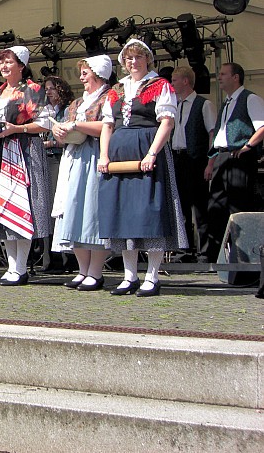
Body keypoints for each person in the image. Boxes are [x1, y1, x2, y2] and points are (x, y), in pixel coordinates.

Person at [98, 39, 187, 297]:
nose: (132, 62)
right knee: (123, 213)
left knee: (151, 212)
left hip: (147, 151)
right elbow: (107, 125)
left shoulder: (160, 86)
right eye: (128, 58)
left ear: (147, 59)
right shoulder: (116, 90)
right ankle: (129, 276)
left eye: (137, 57)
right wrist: (104, 155)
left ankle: (152, 275)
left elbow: (167, 122)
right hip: (118, 156)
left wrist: (151, 153)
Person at [0, 45, 53, 285]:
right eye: (2, 62)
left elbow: (46, 123)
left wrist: (16, 128)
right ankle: (11, 267)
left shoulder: (33, 90)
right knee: (4, 208)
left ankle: (21, 267)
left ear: (21, 65)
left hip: (24, 149)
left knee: (22, 205)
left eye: (9, 62)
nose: (4, 66)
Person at [50, 56, 112, 290]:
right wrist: (58, 130)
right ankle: (82, 269)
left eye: (86, 72)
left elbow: (107, 126)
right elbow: (66, 125)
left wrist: (75, 126)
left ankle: (95, 271)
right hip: (74, 157)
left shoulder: (108, 97)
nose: (82, 77)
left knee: (91, 211)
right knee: (73, 209)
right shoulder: (77, 103)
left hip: (94, 154)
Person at [204, 62, 264, 263]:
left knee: (238, 206)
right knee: (216, 207)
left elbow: (262, 127)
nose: (218, 77)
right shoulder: (227, 102)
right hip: (222, 157)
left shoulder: (250, 98)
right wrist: (212, 160)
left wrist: (247, 146)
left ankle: (243, 257)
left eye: (223, 74)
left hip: (238, 158)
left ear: (236, 77)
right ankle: (221, 255)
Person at [170, 65, 216, 262]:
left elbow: (212, 134)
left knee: (200, 207)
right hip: (177, 158)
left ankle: (206, 251)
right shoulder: (174, 105)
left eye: (174, 80)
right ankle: (185, 250)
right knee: (181, 207)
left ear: (185, 81)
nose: (172, 84)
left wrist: (210, 162)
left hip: (196, 160)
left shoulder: (203, 104)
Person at [38, 75, 75, 271]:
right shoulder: (46, 111)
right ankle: (51, 256)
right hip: (47, 160)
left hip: (59, 159)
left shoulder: (68, 110)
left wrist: (50, 142)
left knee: (59, 207)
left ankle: (64, 258)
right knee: (48, 208)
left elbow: (69, 138)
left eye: (51, 88)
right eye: (46, 88)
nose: (48, 92)